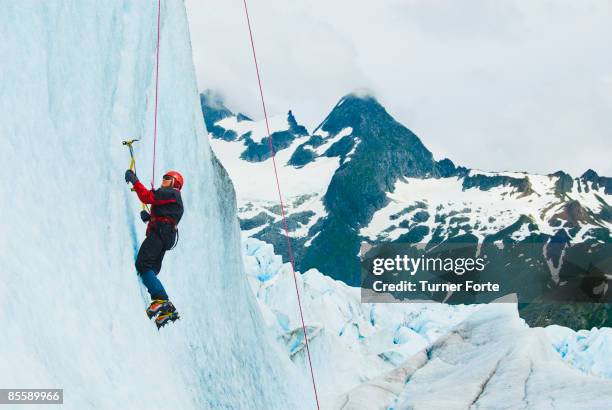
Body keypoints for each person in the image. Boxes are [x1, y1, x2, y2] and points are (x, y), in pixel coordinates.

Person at [125, 169, 184, 328]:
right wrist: (149, 219)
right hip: (164, 234)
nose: (163, 180)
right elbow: (166, 215)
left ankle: (161, 300)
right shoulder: (172, 197)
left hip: (160, 233)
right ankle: (167, 309)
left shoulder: (172, 193)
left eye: (167, 178)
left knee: (143, 264)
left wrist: (135, 181)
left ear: (175, 183)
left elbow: (147, 197)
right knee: (149, 269)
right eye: (164, 177)